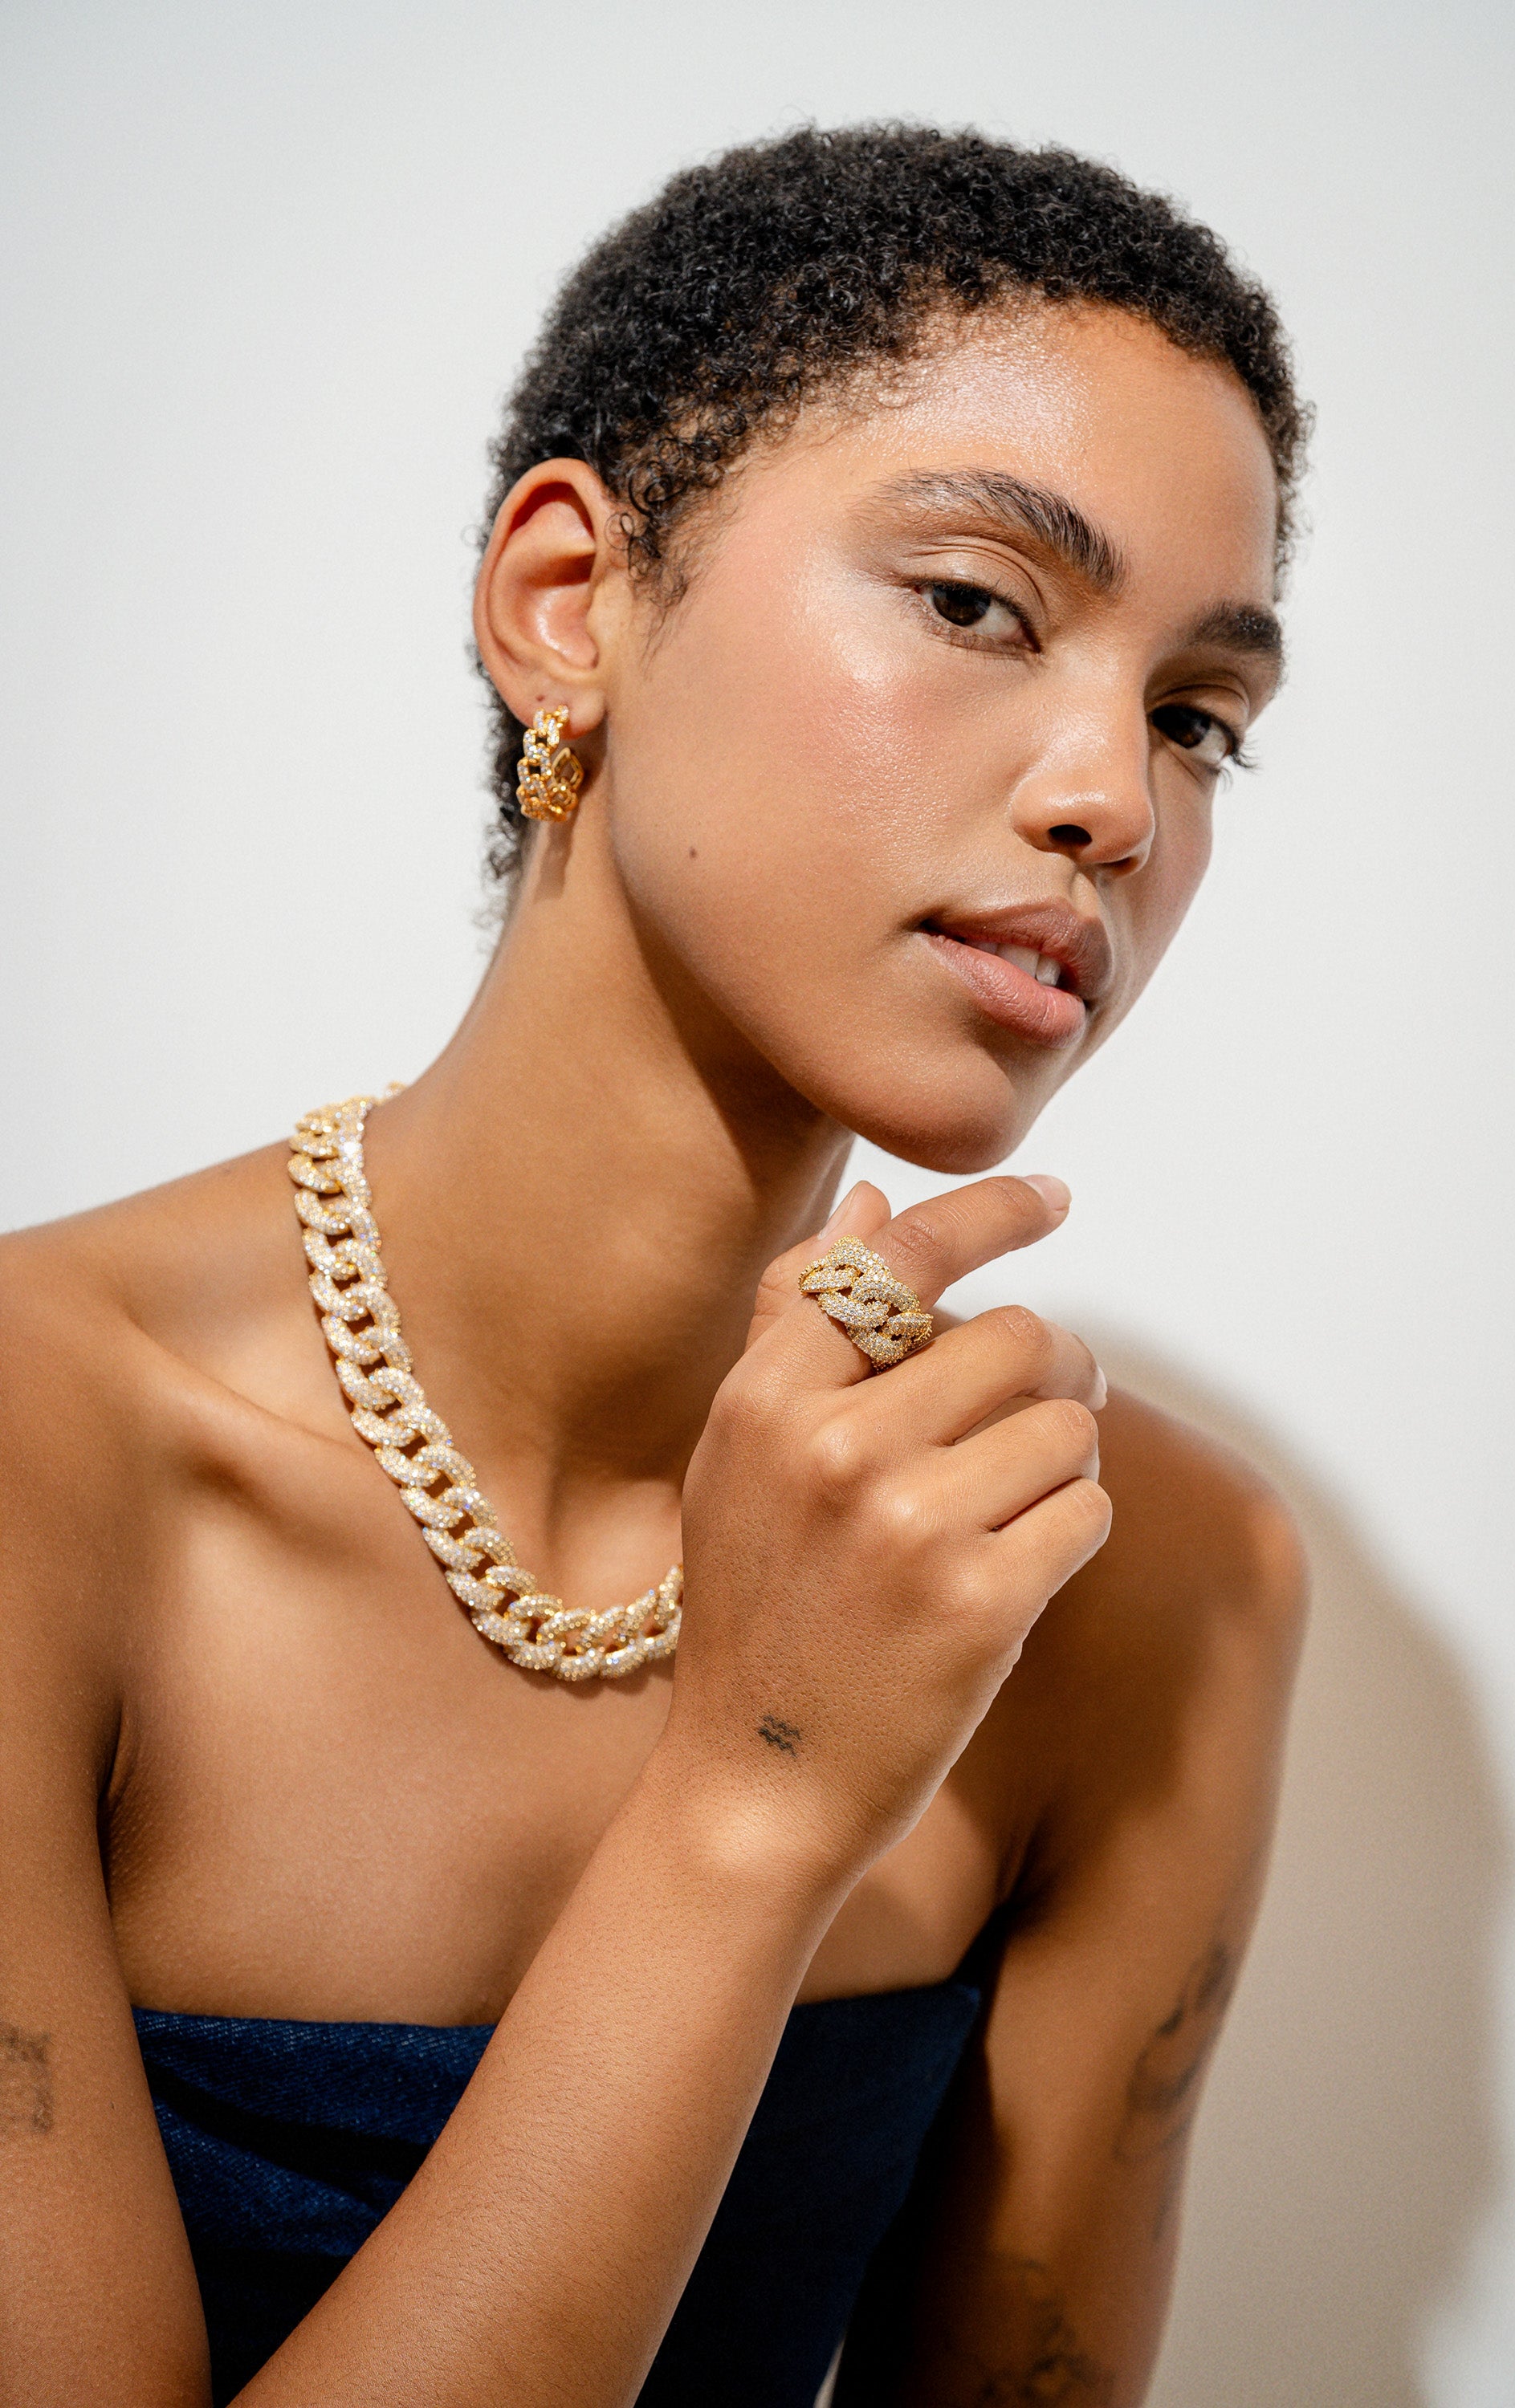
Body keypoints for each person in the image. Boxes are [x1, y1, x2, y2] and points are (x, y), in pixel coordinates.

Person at [0, 124, 1310, 2408]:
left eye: (1198, 715)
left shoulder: (1137, 1591)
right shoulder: (44, 1455)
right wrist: (754, 1804)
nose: (1114, 798)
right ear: (566, 600)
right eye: (976, 603)